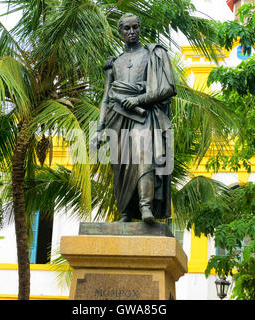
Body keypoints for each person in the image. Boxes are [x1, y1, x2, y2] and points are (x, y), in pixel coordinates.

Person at [93, 13, 176, 224]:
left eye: (135, 27)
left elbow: (167, 88)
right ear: (120, 32)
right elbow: (106, 97)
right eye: (126, 29)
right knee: (120, 167)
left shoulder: (152, 54)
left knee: (143, 156)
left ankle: (146, 206)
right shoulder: (114, 64)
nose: (131, 32)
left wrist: (139, 99)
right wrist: (99, 129)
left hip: (144, 116)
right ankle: (125, 213)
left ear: (140, 29)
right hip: (117, 118)